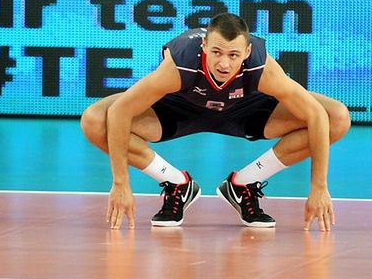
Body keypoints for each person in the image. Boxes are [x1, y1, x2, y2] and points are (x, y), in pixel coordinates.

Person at [81, 12, 351, 231]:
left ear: (246, 53)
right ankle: (176, 183)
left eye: (233, 55)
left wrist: (319, 187)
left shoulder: (262, 66)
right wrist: (120, 184)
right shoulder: (181, 64)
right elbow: (120, 112)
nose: (223, 63)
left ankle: (244, 183)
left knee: (336, 117)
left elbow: (314, 114)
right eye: (217, 52)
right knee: (94, 121)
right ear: (204, 47)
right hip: (180, 108)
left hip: (245, 109)